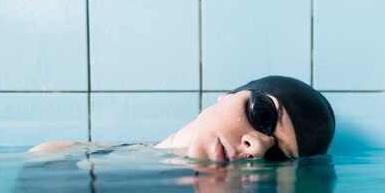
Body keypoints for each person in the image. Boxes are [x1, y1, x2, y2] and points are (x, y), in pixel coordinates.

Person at [30, 76, 336, 161]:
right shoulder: (63, 153)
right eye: (263, 115)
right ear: (229, 95)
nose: (255, 146)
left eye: (279, 156)